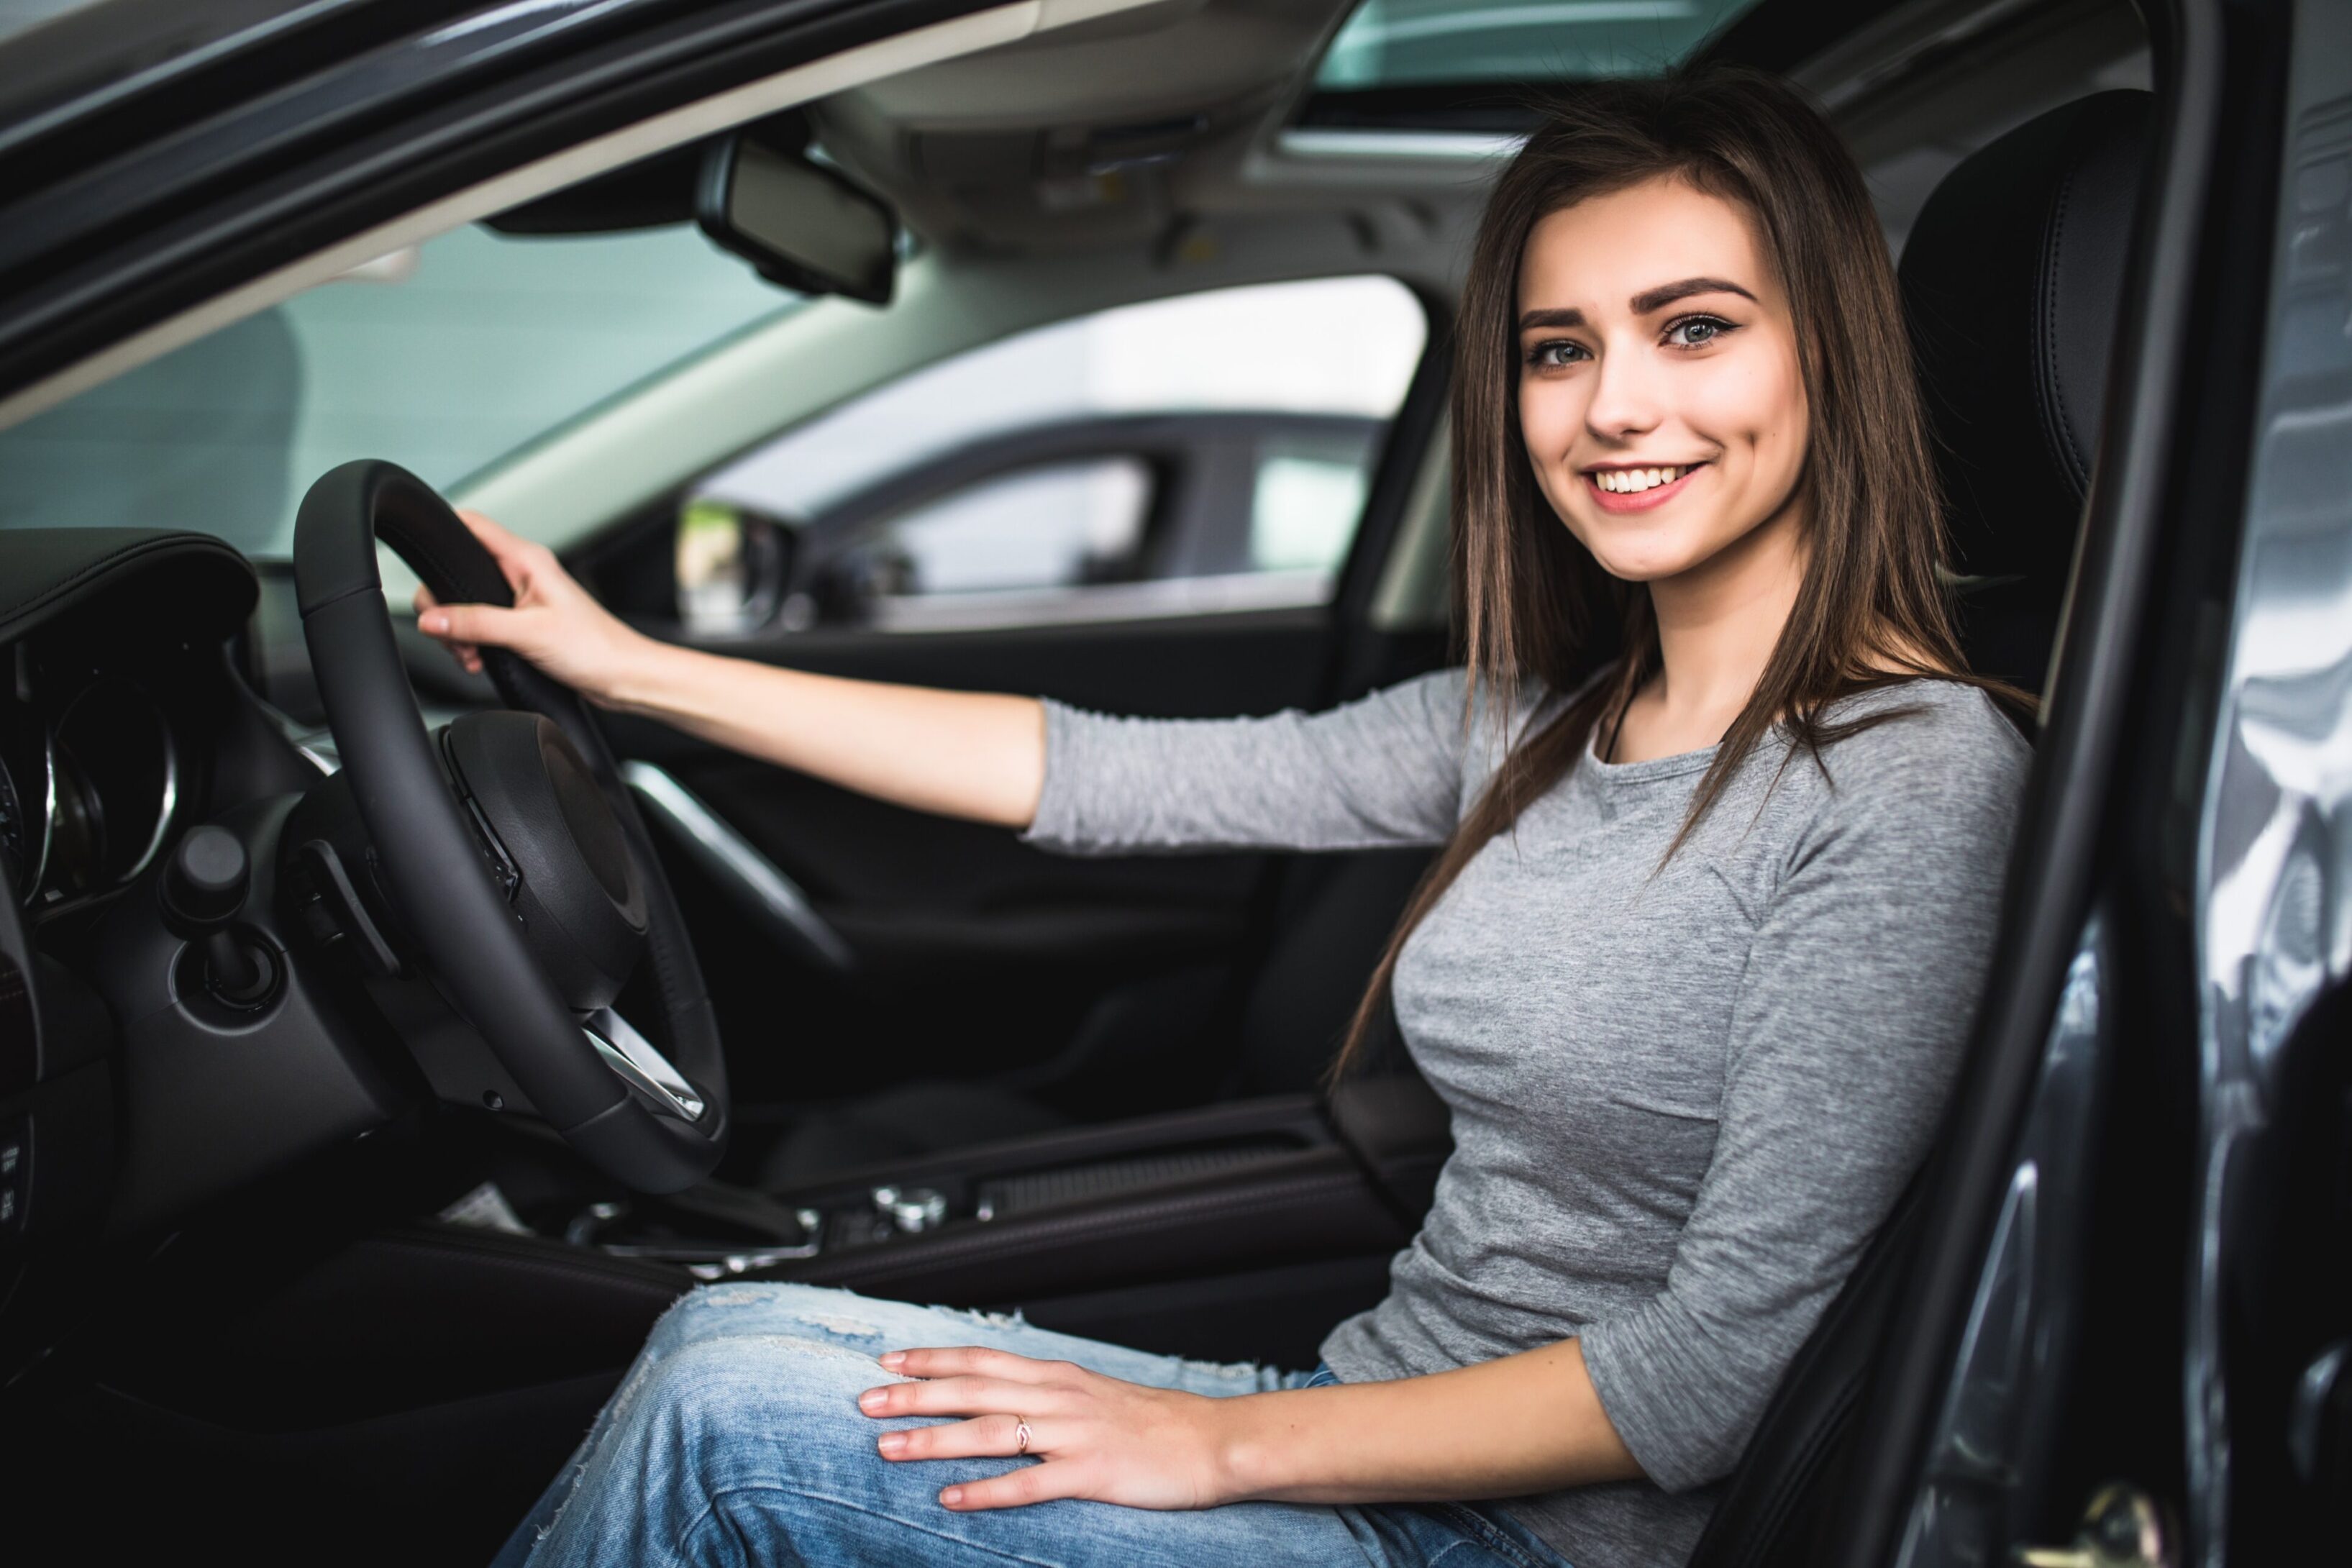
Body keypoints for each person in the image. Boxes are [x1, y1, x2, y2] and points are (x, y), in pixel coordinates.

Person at [427, 65, 2032, 1568]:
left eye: (1693, 329)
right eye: (1561, 348)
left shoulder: (1908, 778)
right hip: (1363, 1431)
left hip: (1520, 1542)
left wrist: (1226, 1442)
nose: (1614, 405)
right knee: (712, 1339)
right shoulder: (1538, 727)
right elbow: (1102, 774)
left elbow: (1707, 1379)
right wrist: (633, 672)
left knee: (726, 1425)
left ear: (1828, 347)